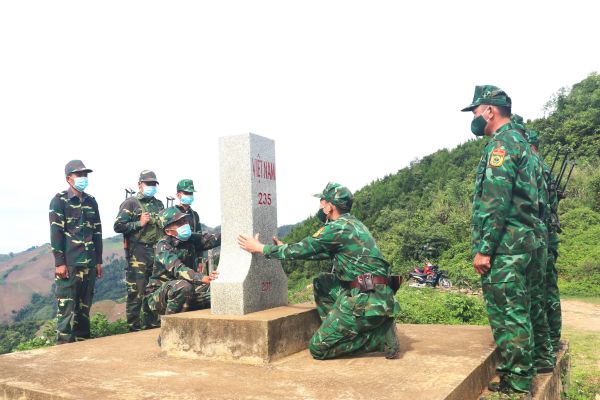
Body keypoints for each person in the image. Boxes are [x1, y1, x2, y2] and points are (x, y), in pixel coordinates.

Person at [238, 182, 400, 360]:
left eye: (323, 201)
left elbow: (303, 248)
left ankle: (377, 337)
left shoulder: (336, 228)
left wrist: (260, 248)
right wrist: (284, 250)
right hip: (377, 294)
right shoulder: (353, 224)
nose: (320, 205)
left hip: (366, 300)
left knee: (318, 349)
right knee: (323, 282)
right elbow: (316, 252)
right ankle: (342, 327)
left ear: (330, 206)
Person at [463, 85, 548, 396]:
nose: (473, 117)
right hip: (530, 242)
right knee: (527, 309)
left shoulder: (501, 147)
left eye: (475, 111)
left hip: (507, 247)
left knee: (509, 314)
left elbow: (495, 201)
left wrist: (484, 249)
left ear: (489, 110)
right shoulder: (524, 144)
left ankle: (516, 381)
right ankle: (532, 367)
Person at [49, 160, 103, 344]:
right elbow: (56, 233)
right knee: (66, 309)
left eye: (85, 174)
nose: (83, 178)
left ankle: (84, 346)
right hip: (70, 264)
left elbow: (97, 231)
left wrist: (98, 261)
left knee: (84, 309)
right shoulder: (59, 201)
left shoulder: (91, 202)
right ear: (68, 178)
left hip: (89, 263)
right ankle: (64, 349)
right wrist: (59, 262)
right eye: (79, 174)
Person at [144, 207, 219, 320]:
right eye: (178, 223)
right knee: (183, 287)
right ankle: (169, 330)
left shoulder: (191, 239)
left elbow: (214, 239)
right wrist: (202, 278)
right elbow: (178, 269)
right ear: (168, 231)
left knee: (216, 292)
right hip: (161, 295)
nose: (185, 224)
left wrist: (236, 233)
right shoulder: (163, 246)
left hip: (189, 289)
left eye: (184, 221)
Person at [114, 170, 164, 331]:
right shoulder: (131, 203)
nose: (151, 186)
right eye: (148, 183)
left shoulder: (159, 204)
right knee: (136, 292)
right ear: (139, 184)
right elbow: (118, 226)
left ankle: (152, 325)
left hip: (156, 252)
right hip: (138, 252)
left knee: (154, 289)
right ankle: (133, 328)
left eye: (153, 184)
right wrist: (139, 223)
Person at [526, 130, 562, 353]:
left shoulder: (533, 166)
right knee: (549, 289)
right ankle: (552, 338)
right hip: (548, 236)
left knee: (538, 293)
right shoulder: (545, 169)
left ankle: (543, 347)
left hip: (540, 237)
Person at [174, 179, 221, 272]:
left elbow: (199, 240)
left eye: (191, 193)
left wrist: (200, 260)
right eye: (186, 193)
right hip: (176, 258)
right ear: (178, 195)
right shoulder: (172, 213)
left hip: (191, 259)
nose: (189, 196)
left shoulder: (194, 215)